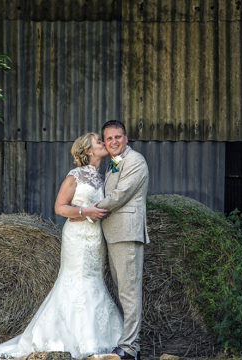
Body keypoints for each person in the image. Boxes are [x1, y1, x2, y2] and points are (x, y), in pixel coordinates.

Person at [0, 133, 123, 358]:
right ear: (88, 150)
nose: (103, 143)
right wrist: (86, 211)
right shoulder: (75, 176)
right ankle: (82, 340)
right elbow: (60, 207)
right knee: (76, 280)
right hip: (77, 237)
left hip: (95, 238)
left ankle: (103, 338)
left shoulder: (103, 177)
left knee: (94, 280)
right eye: (98, 142)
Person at [97, 120, 149, 360]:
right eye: (109, 138)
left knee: (129, 292)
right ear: (105, 143)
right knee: (122, 290)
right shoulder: (114, 162)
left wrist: (90, 208)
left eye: (118, 137)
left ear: (126, 138)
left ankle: (128, 348)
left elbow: (119, 196)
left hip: (127, 233)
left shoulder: (135, 161)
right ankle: (130, 346)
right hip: (114, 234)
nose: (114, 142)